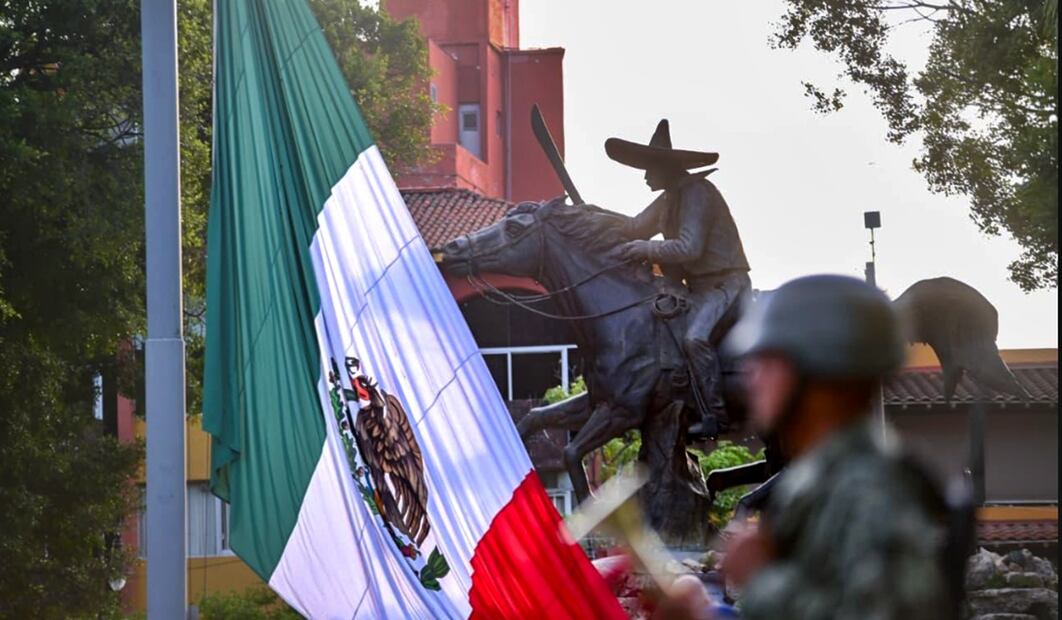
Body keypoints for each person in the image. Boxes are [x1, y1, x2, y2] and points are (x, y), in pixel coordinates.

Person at [716, 274, 955, 619]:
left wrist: (761, 578)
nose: (751, 378)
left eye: (767, 362)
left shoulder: (869, 492)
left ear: (818, 373)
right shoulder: (825, 478)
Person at [604, 120, 751, 438]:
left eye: (649, 169)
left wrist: (645, 248)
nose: (645, 176)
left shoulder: (697, 192)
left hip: (725, 285)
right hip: (697, 290)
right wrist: (591, 216)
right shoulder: (668, 200)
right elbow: (633, 227)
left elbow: (689, 247)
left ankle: (716, 415)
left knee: (694, 338)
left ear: (665, 167)